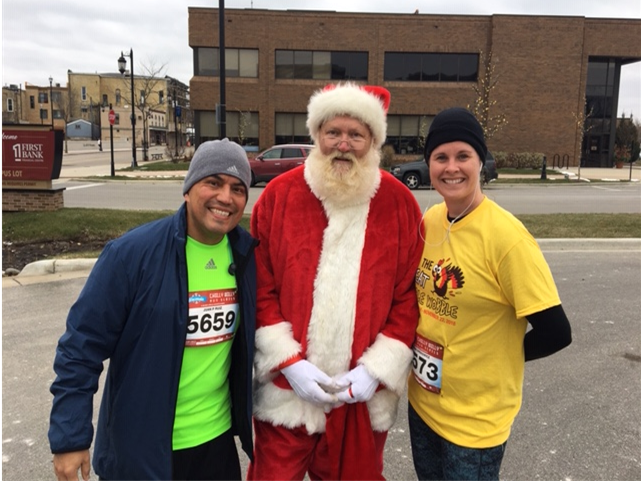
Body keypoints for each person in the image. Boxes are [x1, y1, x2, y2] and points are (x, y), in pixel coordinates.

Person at [48, 138, 258, 481]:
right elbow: (80, 346)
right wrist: (69, 438)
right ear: (188, 189)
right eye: (213, 182)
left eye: (238, 188)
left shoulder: (246, 257)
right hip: (142, 449)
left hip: (216, 446)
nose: (226, 197)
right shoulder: (131, 254)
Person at [247, 82, 423, 481]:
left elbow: (408, 297)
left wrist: (375, 371)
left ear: (373, 141)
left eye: (356, 134)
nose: (343, 144)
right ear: (317, 136)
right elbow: (260, 284)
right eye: (333, 132)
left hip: (359, 398)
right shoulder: (278, 197)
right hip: (286, 395)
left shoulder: (399, 204)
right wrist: (287, 364)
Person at [408, 108, 572, 481]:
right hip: (422, 405)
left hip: (474, 425)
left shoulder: (507, 239)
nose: (452, 167)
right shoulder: (431, 219)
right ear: (429, 164)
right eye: (441, 157)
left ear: (481, 161)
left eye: (463, 156)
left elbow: (557, 332)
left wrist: (500, 360)